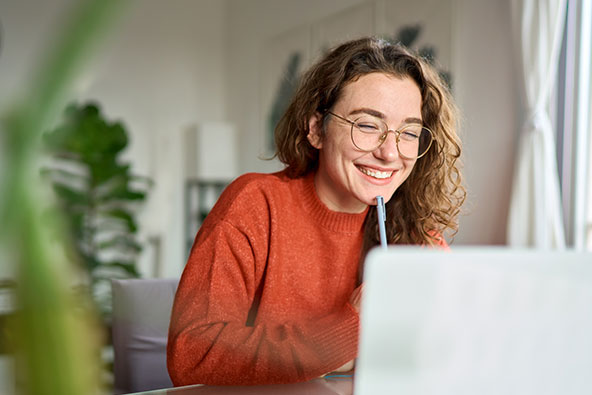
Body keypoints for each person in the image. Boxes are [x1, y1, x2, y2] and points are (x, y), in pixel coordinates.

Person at [167, 36, 465, 386]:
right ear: (315, 129)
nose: (390, 152)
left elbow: (452, 351)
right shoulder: (255, 204)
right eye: (367, 125)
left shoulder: (414, 230)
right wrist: (350, 326)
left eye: (409, 132)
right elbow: (192, 354)